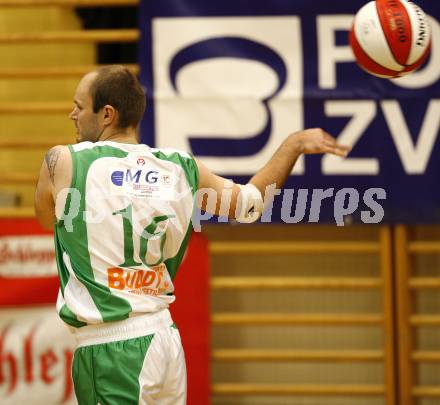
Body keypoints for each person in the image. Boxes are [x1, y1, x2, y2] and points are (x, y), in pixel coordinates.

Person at [34, 65, 350, 405]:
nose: (73, 115)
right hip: (163, 339)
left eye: (79, 107)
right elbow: (251, 204)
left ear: (107, 114)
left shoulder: (63, 161)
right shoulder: (180, 166)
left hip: (111, 347)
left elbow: (45, 217)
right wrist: (294, 143)